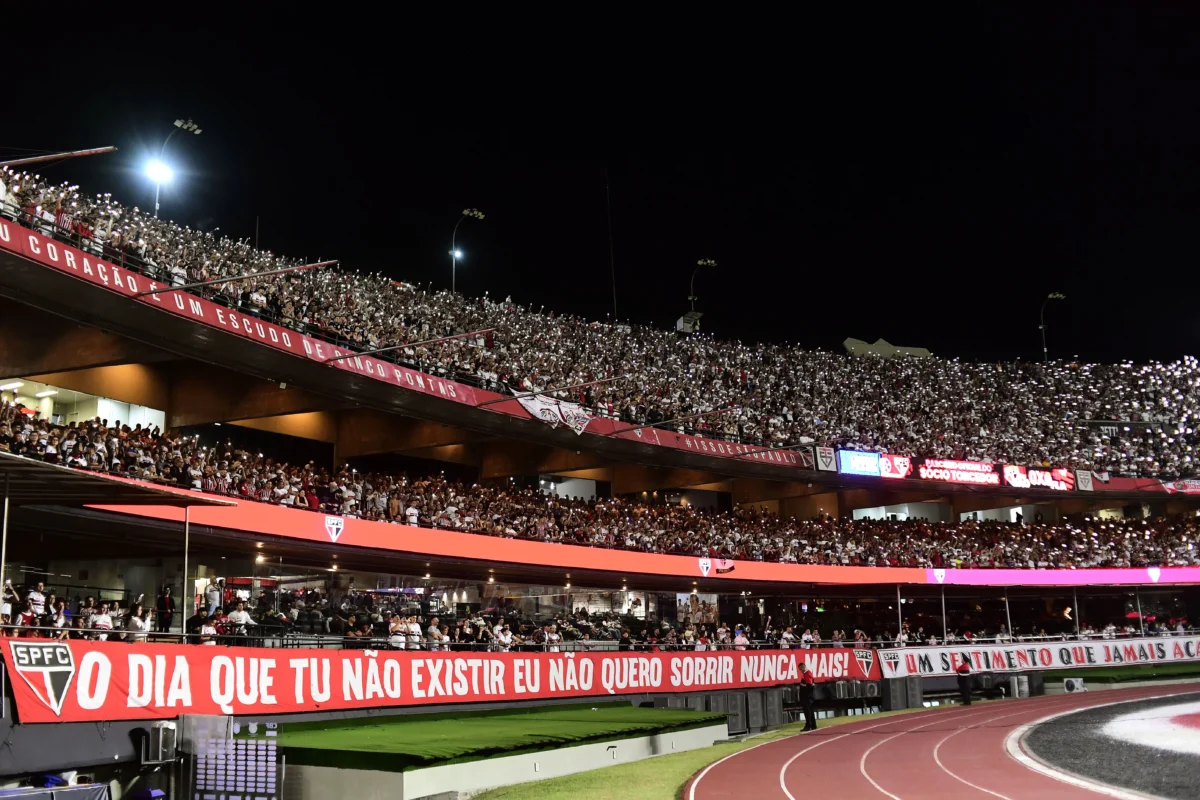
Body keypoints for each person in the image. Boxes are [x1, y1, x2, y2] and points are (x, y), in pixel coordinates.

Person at [798, 662, 817, 732]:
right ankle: (813, 725)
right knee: (810, 710)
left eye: (801, 669)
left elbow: (809, 685)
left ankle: (808, 725)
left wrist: (805, 695)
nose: (801, 671)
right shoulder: (806, 674)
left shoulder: (807, 674)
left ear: (803, 667)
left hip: (807, 696)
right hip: (809, 696)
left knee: (807, 710)